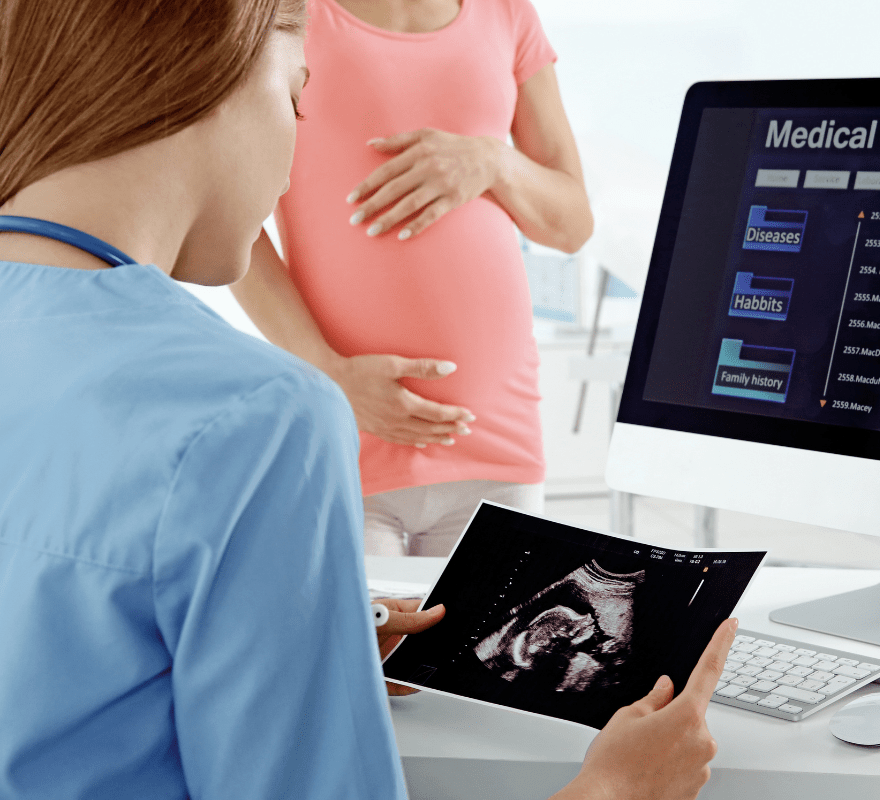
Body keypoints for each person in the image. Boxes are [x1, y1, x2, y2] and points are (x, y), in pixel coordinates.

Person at [0, 1, 732, 798]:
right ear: (205, 74)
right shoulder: (255, 418)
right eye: (296, 97)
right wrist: (618, 791)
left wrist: (298, 633)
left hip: (495, 441)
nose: (291, 160)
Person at [231, 0, 593, 558]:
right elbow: (225, 216)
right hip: (349, 439)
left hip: (499, 445)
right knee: (359, 648)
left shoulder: (506, 12)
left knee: (489, 648)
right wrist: (328, 373)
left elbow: (571, 223)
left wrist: (493, 161)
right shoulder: (281, 14)